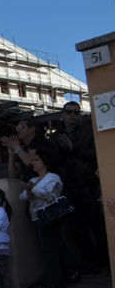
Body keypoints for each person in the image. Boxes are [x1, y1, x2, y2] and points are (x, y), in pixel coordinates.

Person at [49, 101, 107, 274]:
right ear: (63, 114)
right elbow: (53, 162)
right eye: (69, 112)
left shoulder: (88, 132)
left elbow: (96, 155)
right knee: (78, 228)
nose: (72, 115)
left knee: (97, 224)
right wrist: (62, 149)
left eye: (75, 112)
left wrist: (73, 149)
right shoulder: (55, 136)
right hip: (68, 187)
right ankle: (91, 262)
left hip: (87, 184)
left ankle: (106, 260)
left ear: (79, 114)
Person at [20, 148, 75, 288]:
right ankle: (62, 279)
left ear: (45, 162)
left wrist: (34, 190)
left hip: (50, 219)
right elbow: (23, 196)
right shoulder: (33, 180)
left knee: (50, 252)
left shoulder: (53, 178)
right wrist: (31, 190)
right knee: (50, 250)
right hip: (38, 219)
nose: (34, 163)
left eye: (37, 160)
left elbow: (52, 197)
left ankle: (56, 285)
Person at [1, 117, 51, 182]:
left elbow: (28, 161)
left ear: (32, 129)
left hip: (46, 184)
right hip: (30, 187)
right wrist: (11, 155)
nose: (18, 130)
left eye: (21, 127)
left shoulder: (39, 141)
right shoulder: (22, 148)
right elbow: (13, 177)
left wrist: (16, 146)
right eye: (17, 128)